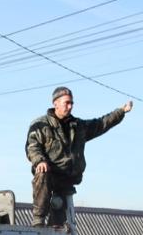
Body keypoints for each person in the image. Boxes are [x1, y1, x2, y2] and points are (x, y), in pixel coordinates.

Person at [25, 87, 133, 227]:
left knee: (58, 225)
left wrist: (121, 111)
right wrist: (39, 161)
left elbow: (101, 124)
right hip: (49, 174)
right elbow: (32, 146)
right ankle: (38, 221)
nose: (70, 106)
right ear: (55, 103)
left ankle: (55, 230)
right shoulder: (41, 125)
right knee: (42, 172)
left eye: (71, 103)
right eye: (66, 103)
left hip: (66, 179)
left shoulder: (77, 126)